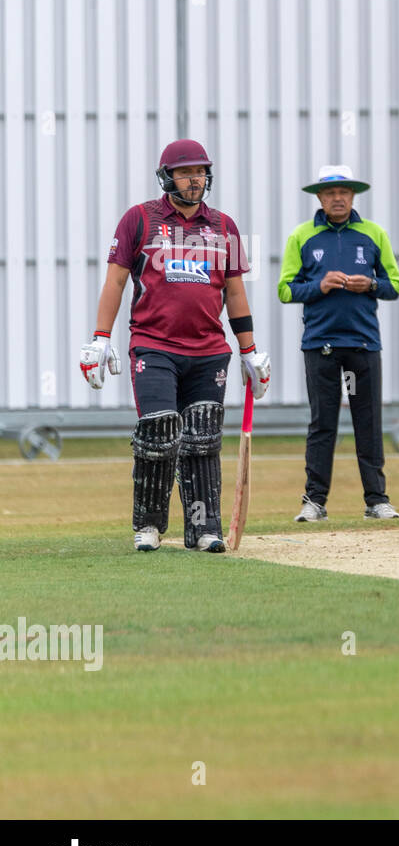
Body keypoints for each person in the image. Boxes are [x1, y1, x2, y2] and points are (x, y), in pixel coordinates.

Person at [79, 139, 271, 552]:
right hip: (154, 346)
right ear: (167, 176)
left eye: (200, 171)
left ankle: (203, 529)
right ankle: (148, 526)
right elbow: (114, 281)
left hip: (209, 351)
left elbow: (235, 294)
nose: (194, 179)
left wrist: (250, 350)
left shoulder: (224, 226)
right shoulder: (139, 219)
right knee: (159, 432)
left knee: (203, 440)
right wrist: (99, 339)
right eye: (185, 172)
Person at [278, 165, 399, 522]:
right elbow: (285, 289)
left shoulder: (373, 234)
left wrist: (373, 285)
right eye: (331, 193)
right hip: (320, 344)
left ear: (353, 196)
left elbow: (395, 284)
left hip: (364, 343)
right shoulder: (302, 236)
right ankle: (314, 501)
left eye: (344, 192)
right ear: (319, 197)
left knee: (369, 422)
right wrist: (319, 286)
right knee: (323, 424)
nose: (338, 198)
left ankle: (376, 500)